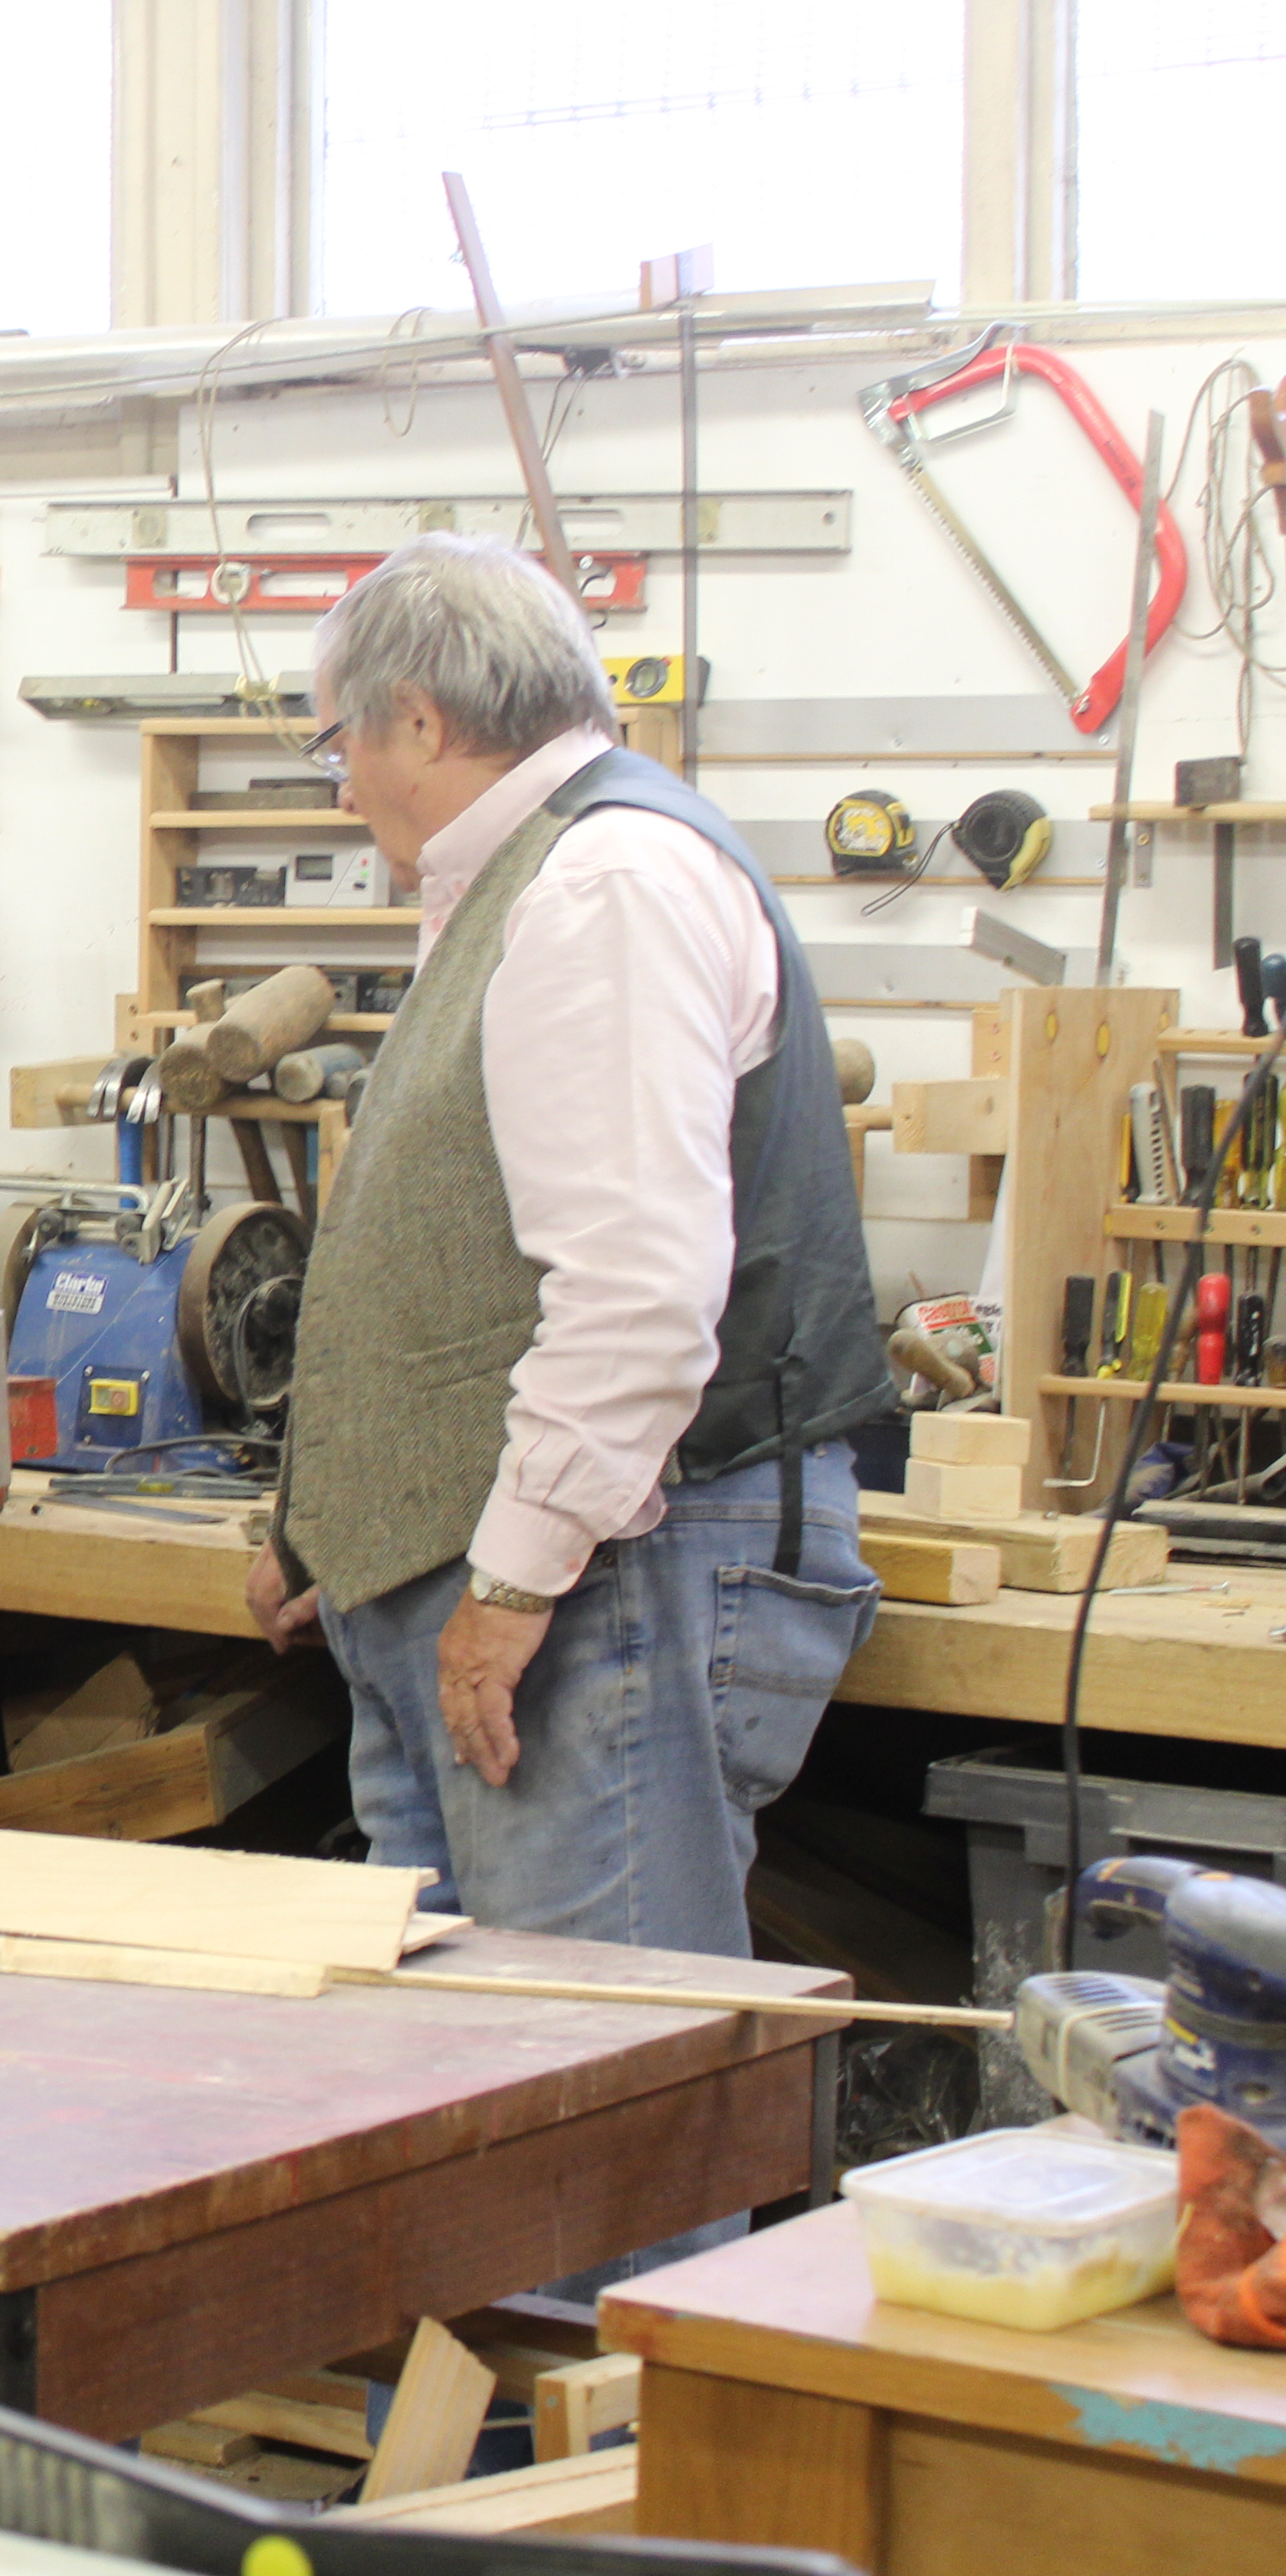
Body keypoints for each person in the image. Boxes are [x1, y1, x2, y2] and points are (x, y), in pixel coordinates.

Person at [250, 533, 891, 1969]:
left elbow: (635, 1290)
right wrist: (329, 1523)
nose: (339, 779)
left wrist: (515, 1584)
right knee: (470, 2091)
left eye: (338, 738)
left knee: (595, 2090)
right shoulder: (524, 880)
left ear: (418, 716)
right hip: (528, 1573)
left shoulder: (605, 880)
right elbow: (456, 1256)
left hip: (617, 1573)